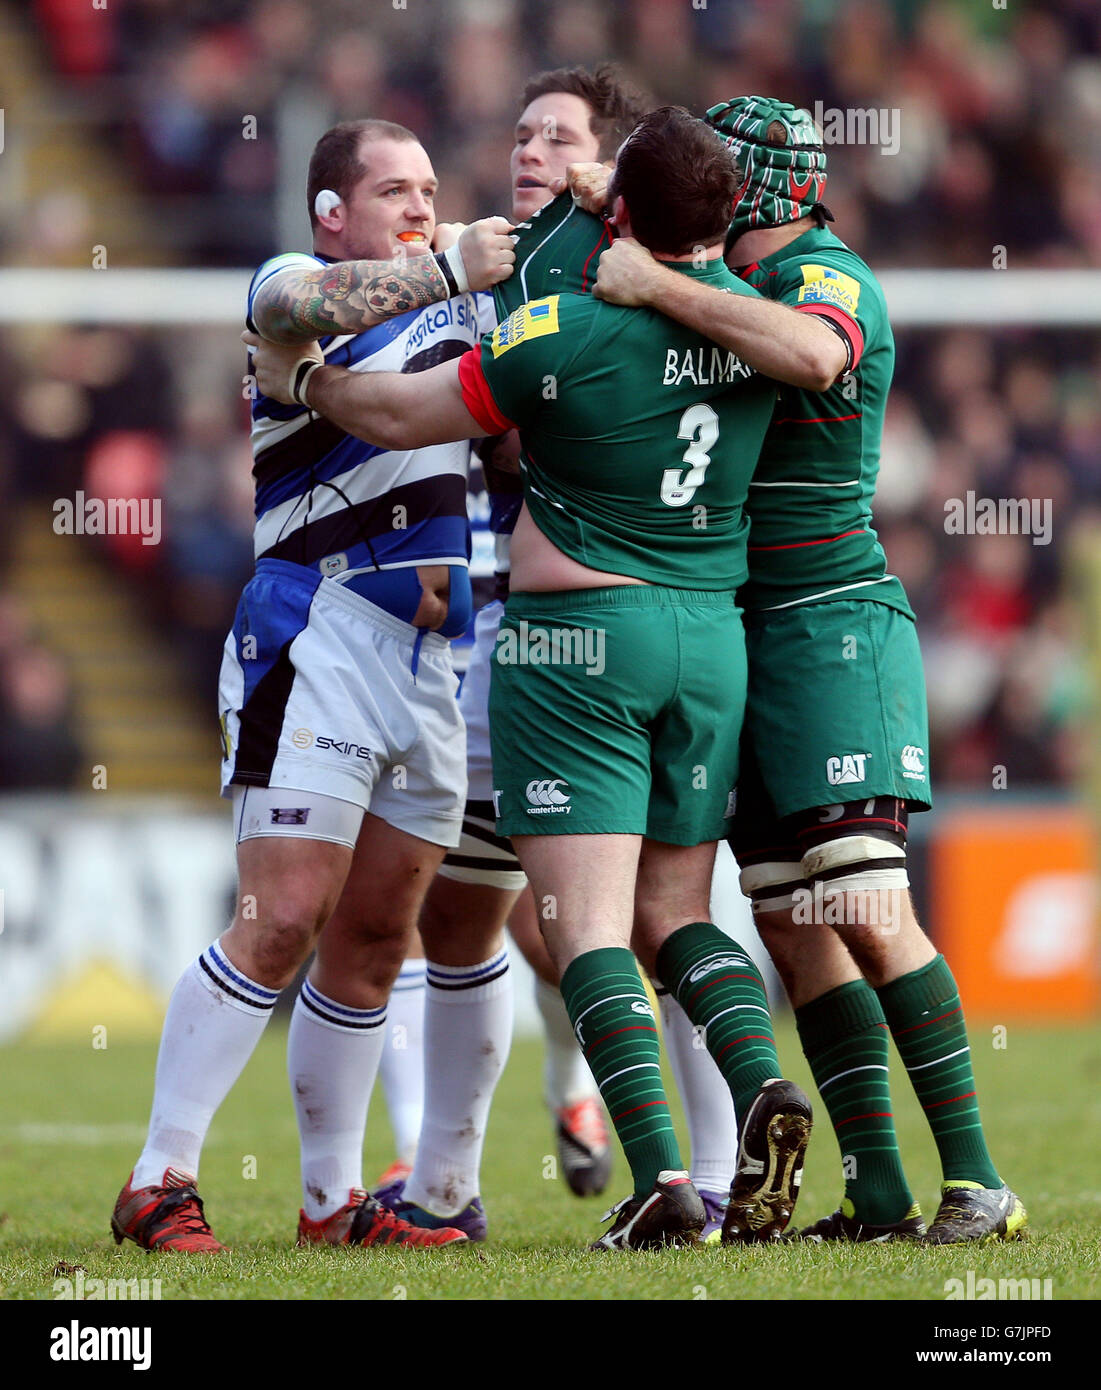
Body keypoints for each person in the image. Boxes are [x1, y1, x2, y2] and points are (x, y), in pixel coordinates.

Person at [247, 105, 813, 1251]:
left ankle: (664, 1179)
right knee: (679, 912)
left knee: (585, 930)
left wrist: (301, 388)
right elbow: (810, 356)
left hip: (576, 647)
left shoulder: (564, 328)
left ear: (618, 211)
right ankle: (757, 1087)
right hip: (712, 640)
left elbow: (406, 408)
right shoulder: (767, 331)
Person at [590, 95, 1026, 1244]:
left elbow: (815, 353)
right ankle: (877, 1190)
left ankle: (978, 1178)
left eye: (723, 179)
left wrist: (654, 282)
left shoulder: (829, 276)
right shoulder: (722, 278)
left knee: (868, 901)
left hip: (833, 624)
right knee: (792, 918)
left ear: (767, 188)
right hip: (738, 634)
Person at [111, 118, 515, 1252]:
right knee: (282, 912)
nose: (421, 206)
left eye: (431, 190)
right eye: (394, 190)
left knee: (382, 932)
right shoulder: (293, 283)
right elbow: (296, 317)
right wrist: (446, 267)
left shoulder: (466, 313)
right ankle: (159, 1173)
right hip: (318, 628)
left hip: (439, 653)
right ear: (332, 211)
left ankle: (334, 1201)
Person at [371, 64, 650, 1240]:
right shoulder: (488, 276)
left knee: (601, 920)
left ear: (609, 165)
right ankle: (433, 1178)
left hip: (579, 633)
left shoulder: (620, 281)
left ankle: (628, 1133)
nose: (528, 148)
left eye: (560, 136)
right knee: (441, 915)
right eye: (522, 132)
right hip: (462, 628)